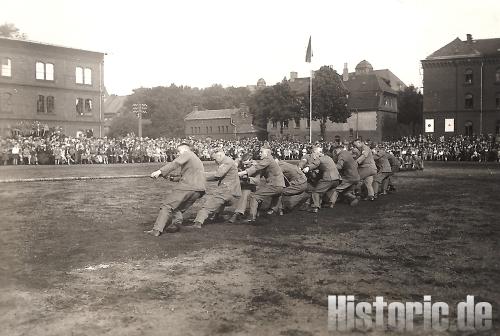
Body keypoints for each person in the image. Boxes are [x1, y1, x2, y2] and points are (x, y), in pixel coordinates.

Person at [145, 143, 206, 236]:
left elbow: (175, 163)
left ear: (185, 150)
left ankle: (156, 230)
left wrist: (159, 171)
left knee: (167, 205)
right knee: (177, 208)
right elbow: (186, 175)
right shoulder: (196, 159)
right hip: (199, 189)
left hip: (188, 186)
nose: (178, 154)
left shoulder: (187, 154)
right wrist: (170, 178)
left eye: (179, 151)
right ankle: (176, 224)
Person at [190, 150, 241, 229]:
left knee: (208, 206)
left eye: (215, 159)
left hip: (226, 189)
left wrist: (201, 176)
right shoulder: (228, 161)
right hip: (233, 191)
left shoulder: (226, 162)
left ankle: (197, 223)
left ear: (220, 155)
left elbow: (218, 175)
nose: (214, 161)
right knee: (220, 203)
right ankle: (217, 216)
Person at [238, 144, 284, 222]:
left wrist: (242, 173)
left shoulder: (268, 159)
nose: (260, 153)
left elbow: (257, 167)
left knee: (255, 196)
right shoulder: (269, 160)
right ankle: (278, 211)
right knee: (264, 194)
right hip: (279, 185)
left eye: (261, 152)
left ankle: (251, 217)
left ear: (266, 153)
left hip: (274, 185)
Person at [300, 145, 341, 212]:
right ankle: (329, 203)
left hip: (329, 178)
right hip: (337, 179)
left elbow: (314, 165)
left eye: (314, 153)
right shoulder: (328, 158)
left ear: (317, 153)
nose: (313, 156)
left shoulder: (319, 159)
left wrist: (307, 168)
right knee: (327, 191)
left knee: (316, 192)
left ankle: (315, 207)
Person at [229, 153, 260, 223]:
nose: (245, 166)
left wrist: (247, 178)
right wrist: (236, 164)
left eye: (246, 164)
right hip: (246, 185)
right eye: (244, 164)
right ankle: (239, 213)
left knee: (249, 194)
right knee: (244, 191)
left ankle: (250, 215)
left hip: (255, 186)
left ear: (251, 161)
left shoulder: (256, 167)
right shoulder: (241, 162)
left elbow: (257, 181)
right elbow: (237, 160)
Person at [329, 143, 360, 207]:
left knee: (337, 190)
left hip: (349, 177)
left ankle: (331, 204)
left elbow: (339, 167)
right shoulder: (347, 153)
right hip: (356, 176)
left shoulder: (341, 155)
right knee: (346, 192)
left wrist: (331, 165)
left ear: (336, 150)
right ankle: (354, 198)